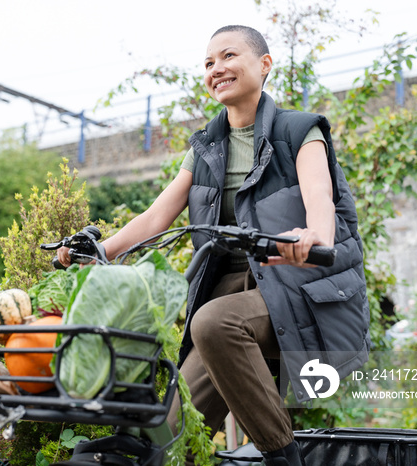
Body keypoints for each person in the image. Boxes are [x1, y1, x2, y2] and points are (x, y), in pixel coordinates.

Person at [57, 25, 370, 466]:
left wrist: (313, 235)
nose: (216, 69)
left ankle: (285, 457)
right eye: (208, 63)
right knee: (167, 439)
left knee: (213, 324)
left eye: (228, 56)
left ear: (264, 65)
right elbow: (155, 217)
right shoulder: (205, 147)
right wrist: (98, 250)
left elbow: (319, 196)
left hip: (297, 285)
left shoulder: (299, 130)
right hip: (226, 298)